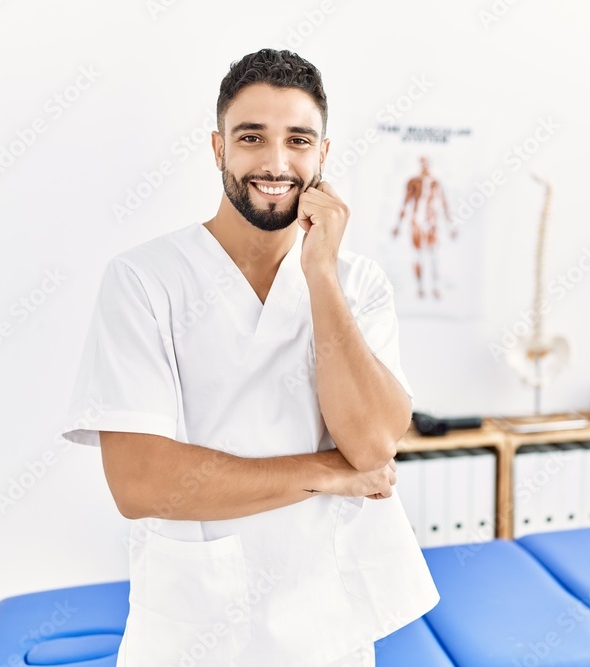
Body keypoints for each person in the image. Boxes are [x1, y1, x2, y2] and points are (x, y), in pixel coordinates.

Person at [61, 48, 439, 667]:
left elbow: (372, 447)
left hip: (328, 625)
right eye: (252, 137)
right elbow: (140, 482)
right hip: (194, 631)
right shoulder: (144, 280)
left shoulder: (357, 282)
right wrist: (326, 472)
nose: (275, 162)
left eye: (298, 140)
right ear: (218, 149)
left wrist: (320, 273)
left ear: (322, 155)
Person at [391, 155, 455, 299]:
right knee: (419, 255)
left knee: (433, 255)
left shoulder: (435, 183)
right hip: (416, 222)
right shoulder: (413, 182)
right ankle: (420, 288)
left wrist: (450, 226)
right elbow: (405, 203)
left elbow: (444, 204)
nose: (425, 166)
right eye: (422, 163)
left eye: (427, 163)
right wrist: (398, 225)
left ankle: (435, 287)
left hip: (431, 222)